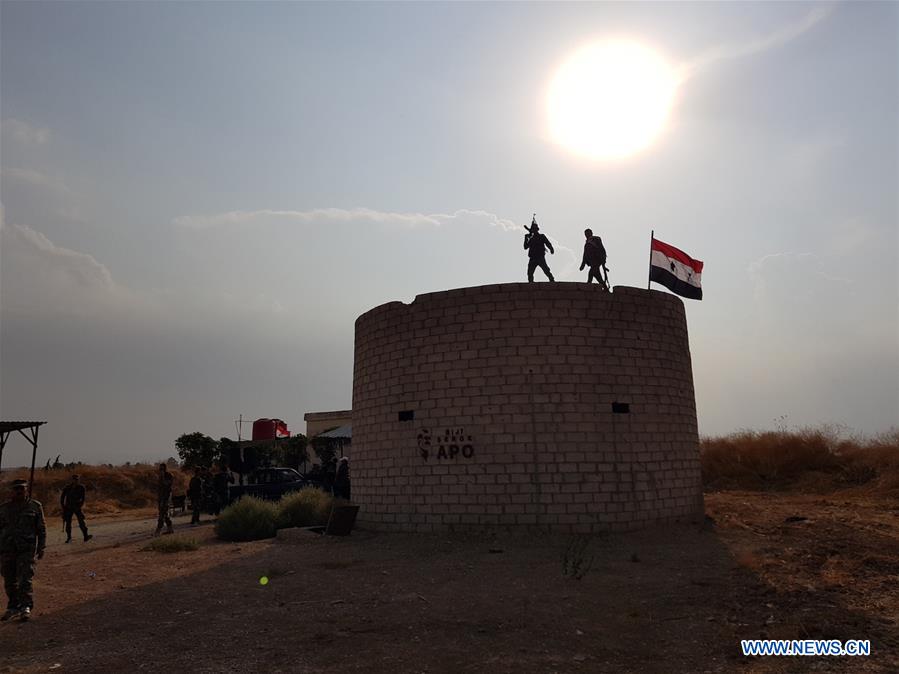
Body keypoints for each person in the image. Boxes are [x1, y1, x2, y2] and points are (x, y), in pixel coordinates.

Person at [0, 479, 46, 622]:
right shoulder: (4, 508)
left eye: (22, 489)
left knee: (25, 578)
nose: (19, 491)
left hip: (26, 548)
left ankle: (25, 606)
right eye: (16, 489)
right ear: (11, 491)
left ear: (26, 490)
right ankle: (13, 606)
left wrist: (41, 547)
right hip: (7, 548)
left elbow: (41, 529)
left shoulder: (34, 506)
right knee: (9, 579)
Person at [60, 474, 92, 543]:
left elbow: (83, 498)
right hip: (68, 507)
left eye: (77, 479)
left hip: (77, 507)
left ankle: (85, 536)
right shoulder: (67, 487)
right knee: (68, 523)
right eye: (74, 479)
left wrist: (79, 506)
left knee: (81, 522)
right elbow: (62, 498)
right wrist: (63, 507)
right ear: (72, 480)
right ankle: (69, 538)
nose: (75, 481)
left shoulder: (81, 487)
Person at [523, 215, 555, 283]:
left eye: (535, 229)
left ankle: (551, 279)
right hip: (532, 258)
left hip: (540, 257)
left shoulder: (541, 236)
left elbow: (547, 243)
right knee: (530, 273)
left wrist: (551, 249)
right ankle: (531, 283)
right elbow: (525, 247)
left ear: (537, 229)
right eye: (533, 229)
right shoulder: (531, 239)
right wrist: (526, 239)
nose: (534, 230)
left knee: (546, 270)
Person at [154, 464, 174, 536]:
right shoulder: (160, 476)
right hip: (161, 497)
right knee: (164, 514)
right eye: (160, 469)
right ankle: (170, 528)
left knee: (162, 514)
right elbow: (159, 488)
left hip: (166, 497)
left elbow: (167, 485)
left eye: (162, 469)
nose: (161, 470)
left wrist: (162, 477)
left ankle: (158, 530)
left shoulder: (169, 475)